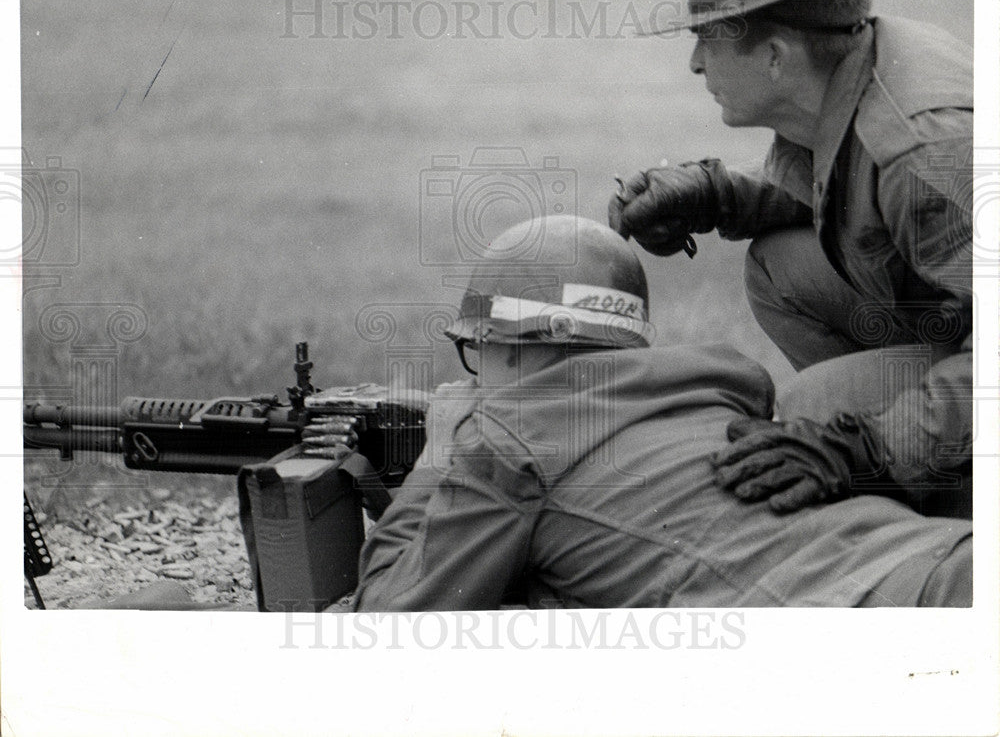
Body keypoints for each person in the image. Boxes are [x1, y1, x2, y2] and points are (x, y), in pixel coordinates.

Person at [352, 217, 971, 611]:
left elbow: (387, 623)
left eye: (474, 351)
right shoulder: (716, 395)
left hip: (877, 620)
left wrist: (441, 455)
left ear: (506, 346)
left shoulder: (507, 443)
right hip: (953, 559)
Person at [607, 0, 973, 519]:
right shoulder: (860, 66)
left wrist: (861, 448)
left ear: (776, 56)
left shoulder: (923, 150)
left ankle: (943, 503)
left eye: (708, 37)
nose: (696, 62)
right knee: (780, 263)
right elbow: (846, 176)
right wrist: (718, 194)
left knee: (818, 405)